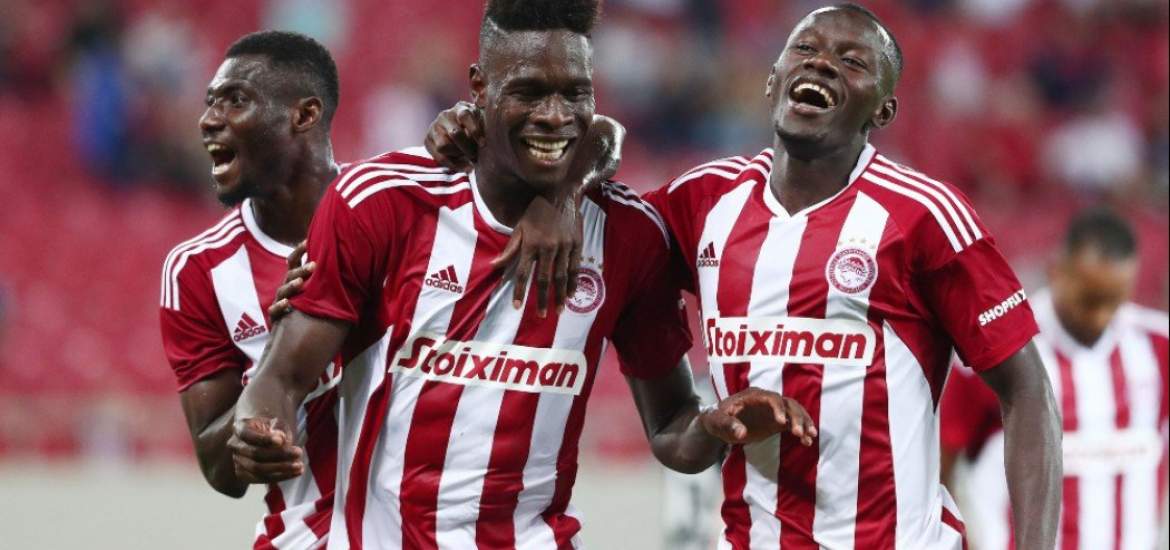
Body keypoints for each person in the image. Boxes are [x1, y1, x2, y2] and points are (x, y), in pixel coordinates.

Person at [427, 3, 1063, 548]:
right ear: (772, 79)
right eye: (805, 50)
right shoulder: (705, 201)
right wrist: (536, 173)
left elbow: (1027, 388)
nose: (822, 64)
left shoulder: (923, 216)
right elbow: (603, 154)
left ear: (885, 108)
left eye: (852, 61)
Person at [230, 1, 816, 548]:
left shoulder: (628, 235)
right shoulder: (383, 202)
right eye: (529, 92)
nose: (556, 116)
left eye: (575, 93)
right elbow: (282, 377)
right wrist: (261, 429)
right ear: (479, 88)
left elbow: (670, 426)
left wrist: (713, 427)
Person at [158, 30, 343, 549]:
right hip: (305, 537)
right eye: (209, 102)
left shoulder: (396, 210)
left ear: (304, 115)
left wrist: (543, 207)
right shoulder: (197, 270)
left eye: (235, 100)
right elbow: (220, 470)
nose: (208, 119)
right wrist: (278, 362)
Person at [941, 208, 1168, 550]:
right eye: (1089, 301)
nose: (1100, 316)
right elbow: (941, 465)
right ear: (1056, 271)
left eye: (1113, 301)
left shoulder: (1158, 347)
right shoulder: (1000, 351)